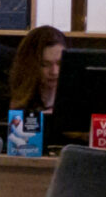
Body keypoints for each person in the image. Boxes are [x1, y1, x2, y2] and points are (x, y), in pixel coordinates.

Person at [5, 23, 64, 156]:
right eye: (45, 64)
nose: (54, 72)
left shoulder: (77, 98)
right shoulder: (7, 98)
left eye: (60, 63)